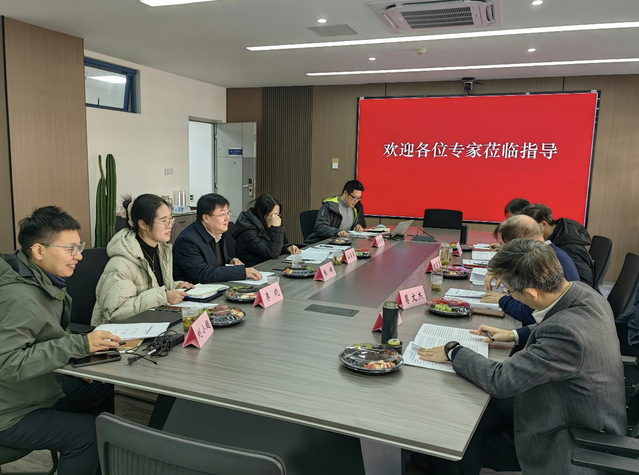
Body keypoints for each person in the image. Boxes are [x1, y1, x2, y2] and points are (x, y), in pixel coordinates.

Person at [417, 239, 626, 475]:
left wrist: (453, 350)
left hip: (566, 436)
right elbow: (559, 328)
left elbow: (501, 380)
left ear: (531, 292)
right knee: (465, 411)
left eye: (510, 291)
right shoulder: (583, 293)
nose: (510, 296)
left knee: (456, 431)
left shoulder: (566, 334)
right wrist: (515, 334)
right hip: (566, 403)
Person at [0, 206, 122, 474]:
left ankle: (96, 464)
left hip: (28, 391)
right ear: (38, 250)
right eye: (70, 249)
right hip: (9, 413)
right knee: (88, 435)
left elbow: (41, 338)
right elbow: (8, 364)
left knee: (98, 387)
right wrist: (78, 345)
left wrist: (76, 358)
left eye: (79, 247)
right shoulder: (18, 298)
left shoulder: (41, 280)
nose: (79, 256)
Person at [92, 194, 195, 325]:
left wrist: (176, 287)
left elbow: (152, 288)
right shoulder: (121, 264)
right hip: (121, 332)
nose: (170, 225)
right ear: (143, 224)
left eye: (171, 219)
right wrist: (163, 296)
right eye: (164, 221)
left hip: (152, 321)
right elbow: (115, 313)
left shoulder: (160, 250)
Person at [481, 214, 580, 325]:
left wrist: (503, 300)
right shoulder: (544, 253)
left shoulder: (544, 262)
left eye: (504, 246)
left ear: (519, 243)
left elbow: (533, 313)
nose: (502, 250)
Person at [173, 193, 262, 283]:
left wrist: (229, 261)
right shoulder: (187, 240)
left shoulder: (217, 233)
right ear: (206, 218)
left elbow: (213, 261)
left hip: (215, 286)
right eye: (222, 214)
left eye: (228, 213)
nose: (227, 218)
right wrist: (241, 272)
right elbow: (203, 273)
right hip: (193, 289)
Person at [520, 203, 594, 286]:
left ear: (543, 224)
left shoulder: (568, 247)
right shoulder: (557, 236)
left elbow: (584, 284)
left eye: (527, 229)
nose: (525, 234)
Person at [232, 194, 301, 267]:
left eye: (278, 215)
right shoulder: (248, 231)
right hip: (253, 267)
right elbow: (271, 253)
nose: (276, 218)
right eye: (273, 215)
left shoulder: (265, 223)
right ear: (262, 214)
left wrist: (287, 248)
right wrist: (276, 228)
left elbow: (274, 246)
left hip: (267, 265)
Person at [304, 180, 366, 244]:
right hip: (326, 243)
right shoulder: (330, 206)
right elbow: (320, 227)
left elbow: (351, 225)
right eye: (355, 197)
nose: (356, 201)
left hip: (345, 243)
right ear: (345, 193)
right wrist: (336, 232)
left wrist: (357, 226)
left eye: (359, 198)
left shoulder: (354, 208)